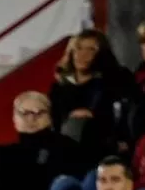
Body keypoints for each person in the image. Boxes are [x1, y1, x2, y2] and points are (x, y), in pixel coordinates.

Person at [48, 30, 131, 164]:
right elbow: (53, 122)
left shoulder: (112, 82)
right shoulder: (59, 87)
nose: (83, 54)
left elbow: (119, 118)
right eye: (78, 48)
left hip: (102, 148)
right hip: (66, 147)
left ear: (101, 53)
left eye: (91, 49)